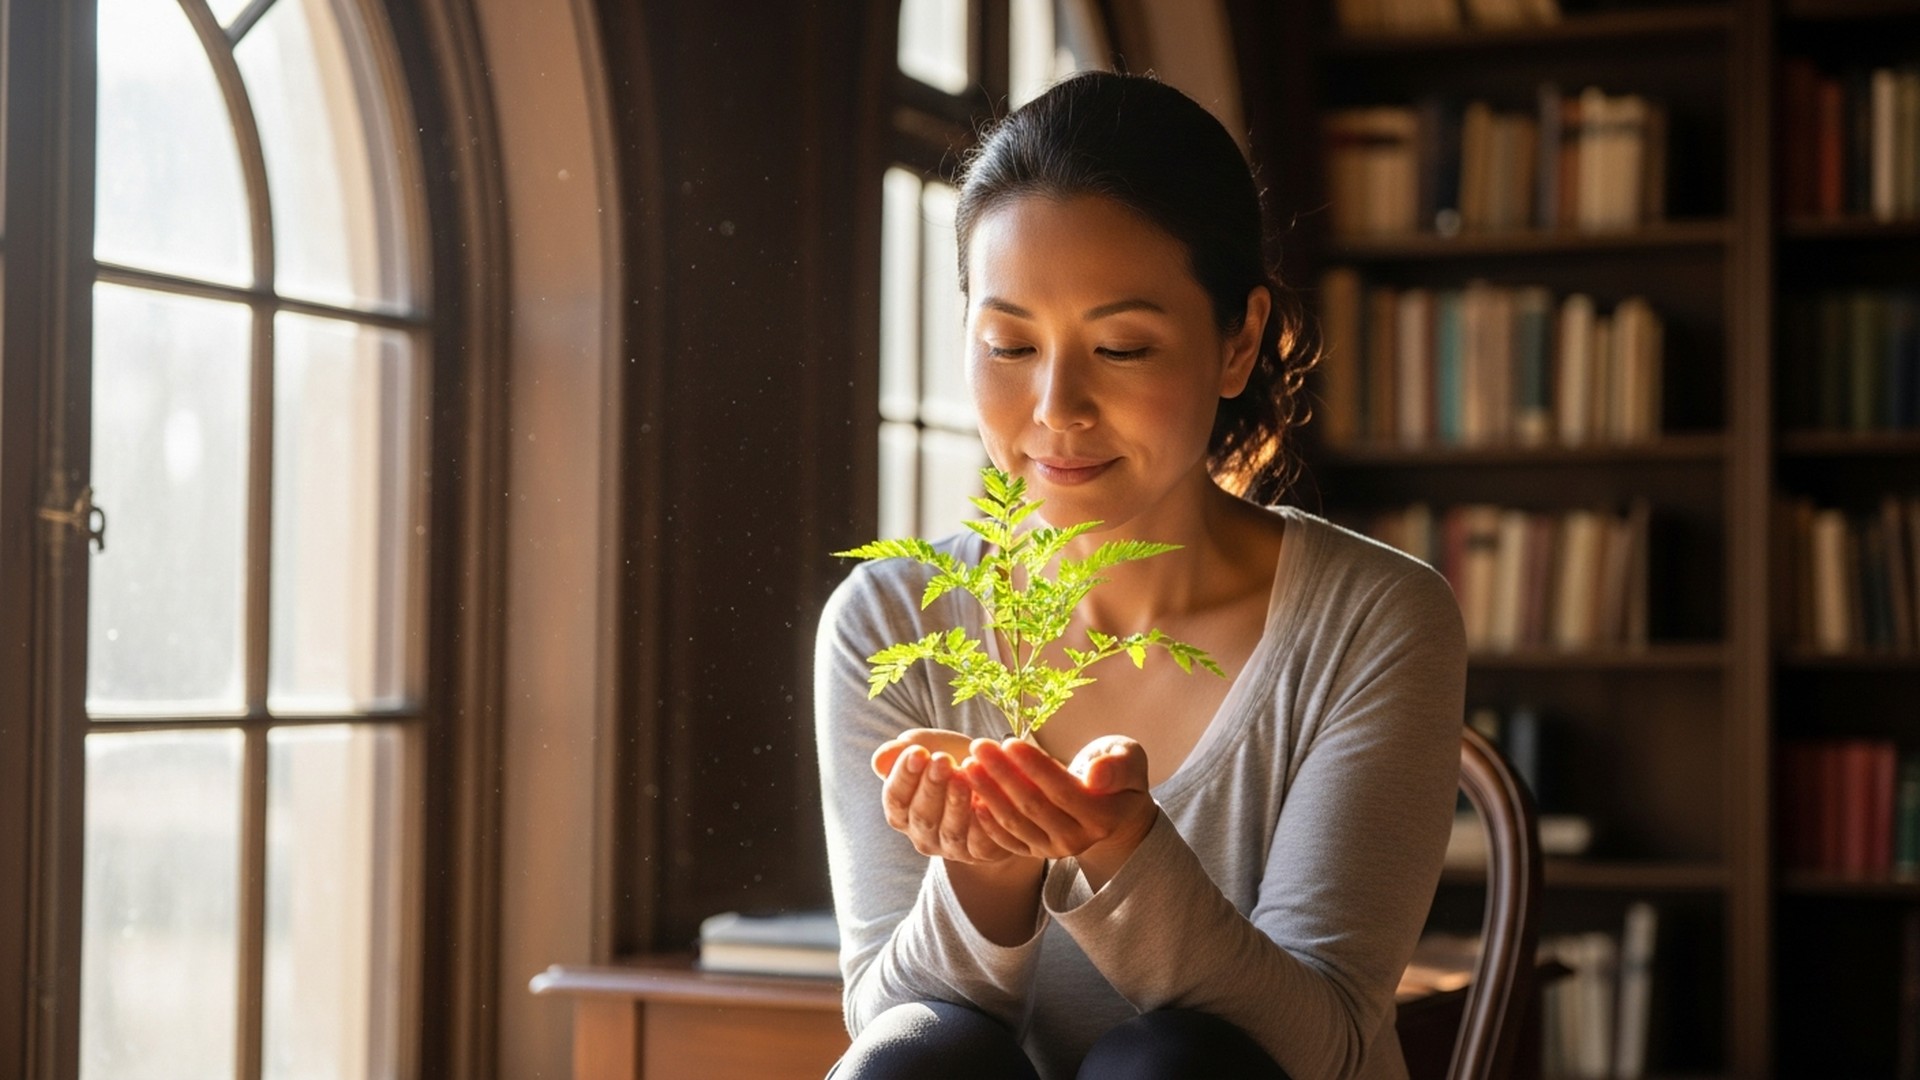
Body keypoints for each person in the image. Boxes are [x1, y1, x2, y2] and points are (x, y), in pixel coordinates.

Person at [814, 71, 1466, 1080]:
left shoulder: (1374, 618)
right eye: (1009, 344)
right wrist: (990, 875)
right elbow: (888, 1028)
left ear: (1238, 340)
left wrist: (1125, 856)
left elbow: (1323, 1045)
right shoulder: (889, 617)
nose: (1057, 406)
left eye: (1121, 346)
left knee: (1175, 1066)